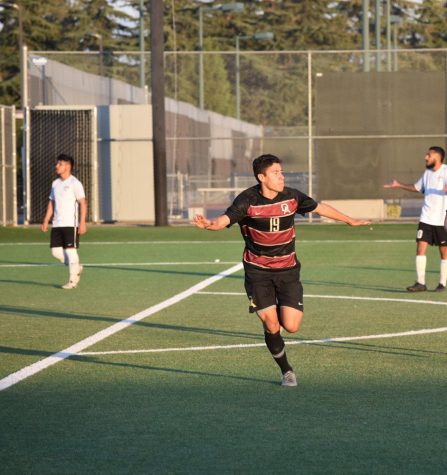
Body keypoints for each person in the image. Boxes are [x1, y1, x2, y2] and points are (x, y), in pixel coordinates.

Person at [193, 154, 370, 387]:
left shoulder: (292, 197)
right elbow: (225, 220)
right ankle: (286, 370)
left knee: (293, 326)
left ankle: (272, 309)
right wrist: (209, 225)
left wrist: (349, 220)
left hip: (287, 270)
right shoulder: (247, 200)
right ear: (262, 177)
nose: (281, 176)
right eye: (276, 173)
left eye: (282, 171)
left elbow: (320, 207)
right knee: (272, 325)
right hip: (258, 271)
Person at [384, 146, 447, 292]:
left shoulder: (445, 171)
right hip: (426, 218)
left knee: (444, 252)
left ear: (437, 157)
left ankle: (442, 283)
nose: (425, 157)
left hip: (442, 219)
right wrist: (399, 185)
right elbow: (417, 188)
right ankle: (421, 283)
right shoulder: (427, 173)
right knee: (420, 249)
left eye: (429, 155)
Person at [41, 153, 87, 289]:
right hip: (57, 224)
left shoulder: (75, 183)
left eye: (59, 164)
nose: (56, 166)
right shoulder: (55, 183)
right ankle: (76, 267)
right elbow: (52, 202)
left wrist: (82, 222)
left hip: (70, 224)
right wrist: (46, 220)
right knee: (55, 252)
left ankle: (72, 281)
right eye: (57, 163)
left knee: (70, 252)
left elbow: (83, 203)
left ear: (68, 166)